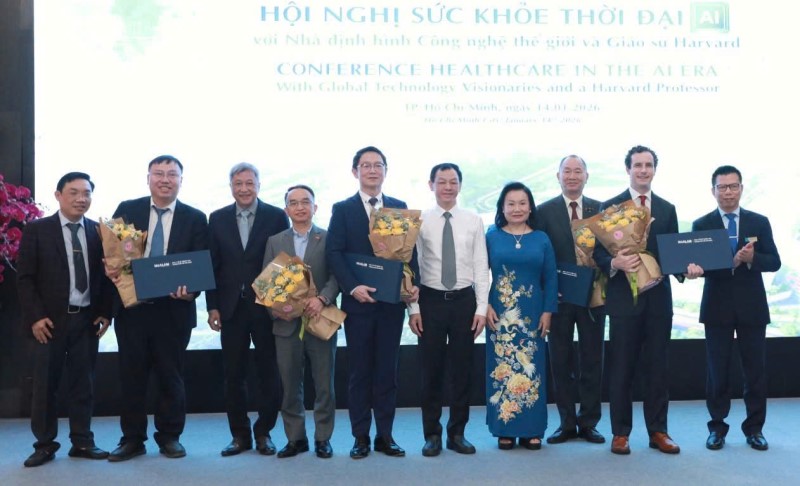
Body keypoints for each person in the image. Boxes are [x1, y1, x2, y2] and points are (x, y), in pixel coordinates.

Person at [107, 155, 208, 461]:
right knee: (131, 377)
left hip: (174, 311)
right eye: (159, 174)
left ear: (181, 180)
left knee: (170, 376)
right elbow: (113, 252)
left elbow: (201, 262)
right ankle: (132, 439)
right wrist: (111, 268)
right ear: (148, 178)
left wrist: (191, 291)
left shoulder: (195, 218)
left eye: (172, 174)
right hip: (133, 310)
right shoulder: (127, 209)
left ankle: (170, 437)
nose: (165, 180)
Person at [593, 145, 689, 455]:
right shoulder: (610, 208)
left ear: (654, 170)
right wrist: (614, 263)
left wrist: (687, 269)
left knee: (658, 368)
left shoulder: (667, 208)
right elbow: (597, 254)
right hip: (624, 302)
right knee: (621, 369)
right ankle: (620, 433)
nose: (643, 170)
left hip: (659, 302)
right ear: (628, 169)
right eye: (638, 165)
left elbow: (673, 255)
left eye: (648, 165)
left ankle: (658, 431)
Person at [325, 145, 420, 459]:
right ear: (355, 171)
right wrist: (353, 287)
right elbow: (334, 253)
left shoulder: (398, 207)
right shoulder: (343, 209)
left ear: (385, 171)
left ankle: (385, 436)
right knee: (360, 372)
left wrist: (412, 285)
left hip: (391, 305)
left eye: (378, 165)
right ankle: (360, 437)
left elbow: (409, 254)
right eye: (366, 165)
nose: (372, 170)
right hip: (358, 305)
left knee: (387, 372)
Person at [17, 172, 112, 467]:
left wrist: (105, 311)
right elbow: (25, 278)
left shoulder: (99, 232)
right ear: (58, 195)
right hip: (49, 322)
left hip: (86, 319)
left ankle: (82, 441)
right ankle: (45, 444)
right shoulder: (37, 230)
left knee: (83, 383)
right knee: (45, 385)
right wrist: (36, 317)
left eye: (86, 193)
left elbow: (108, 277)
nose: (81, 199)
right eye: (73, 192)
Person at [691, 165, 781, 451]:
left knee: (755, 372)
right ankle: (717, 428)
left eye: (733, 186)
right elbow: (699, 265)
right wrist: (697, 269)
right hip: (716, 307)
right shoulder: (702, 224)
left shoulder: (759, 222)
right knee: (717, 371)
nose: (728, 192)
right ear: (713, 191)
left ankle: (755, 429)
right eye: (722, 187)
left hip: (752, 307)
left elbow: (774, 261)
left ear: (741, 188)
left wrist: (753, 259)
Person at [206, 163, 289, 457]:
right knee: (234, 374)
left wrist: (281, 301)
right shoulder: (217, 218)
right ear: (231, 186)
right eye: (238, 183)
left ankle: (264, 432)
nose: (244, 189)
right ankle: (239, 435)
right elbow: (212, 265)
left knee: (269, 372)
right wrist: (212, 306)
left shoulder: (276, 216)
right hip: (231, 309)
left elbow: (284, 262)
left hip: (266, 307)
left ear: (258, 185)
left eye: (249, 183)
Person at [408, 163, 489, 457]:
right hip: (429, 301)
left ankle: (457, 433)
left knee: (461, 370)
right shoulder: (420, 221)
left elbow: (481, 265)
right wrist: (413, 308)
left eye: (453, 182)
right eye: (441, 182)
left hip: (464, 301)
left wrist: (481, 308)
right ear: (431, 185)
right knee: (430, 371)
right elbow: (412, 267)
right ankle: (432, 434)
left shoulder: (473, 220)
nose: (447, 187)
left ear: (460, 185)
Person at [263, 185, 340, 459]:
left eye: (305, 202)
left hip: (320, 319)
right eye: (293, 203)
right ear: (286, 210)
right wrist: (277, 309)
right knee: (290, 385)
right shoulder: (275, 241)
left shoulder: (328, 238)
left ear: (315, 207)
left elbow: (336, 276)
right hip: (286, 325)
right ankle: (295, 439)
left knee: (324, 385)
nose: (300, 207)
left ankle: (323, 438)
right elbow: (266, 282)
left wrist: (323, 299)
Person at [535, 155, 606, 445]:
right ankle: (566, 423)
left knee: (592, 360)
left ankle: (589, 422)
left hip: (593, 297)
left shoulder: (600, 209)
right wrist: (546, 289)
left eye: (578, 171)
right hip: (559, 299)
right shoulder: (543, 211)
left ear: (587, 176)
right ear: (558, 176)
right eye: (567, 171)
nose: (573, 176)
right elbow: (538, 254)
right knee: (560, 361)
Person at [485, 182, 557, 451]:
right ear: (502, 208)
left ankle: (532, 430)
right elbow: (479, 273)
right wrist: (484, 305)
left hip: (533, 313)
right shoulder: (491, 236)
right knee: (502, 369)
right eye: (511, 204)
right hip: (499, 314)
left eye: (522, 203)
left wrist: (548, 311)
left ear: (530, 207)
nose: (517, 208)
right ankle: (504, 428)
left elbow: (550, 278)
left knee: (532, 368)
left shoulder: (541, 238)